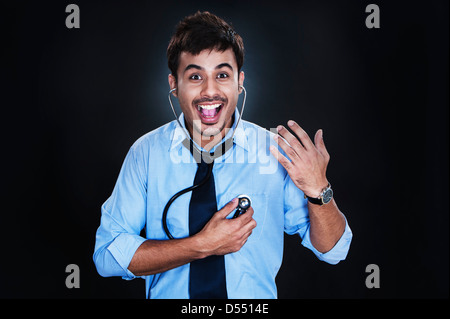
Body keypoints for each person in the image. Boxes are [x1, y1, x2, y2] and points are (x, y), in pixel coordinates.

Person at [93, 11, 352, 299]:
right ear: (173, 85)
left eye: (222, 74)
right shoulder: (145, 154)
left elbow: (334, 250)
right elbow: (106, 256)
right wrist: (201, 245)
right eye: (195, 76)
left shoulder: (274, 152)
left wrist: (319, 190)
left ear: (239, 81)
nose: (210, 90)